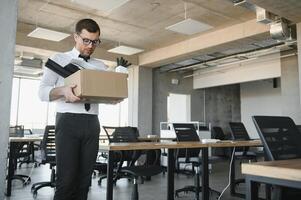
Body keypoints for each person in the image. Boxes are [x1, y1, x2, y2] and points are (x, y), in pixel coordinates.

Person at [39, 18, 106, 200]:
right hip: (68, 121)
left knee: (84, 182)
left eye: (95, 41)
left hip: (92, 123)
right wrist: (62, 91)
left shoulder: (100, 66)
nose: (90, 46)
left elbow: (104, 93)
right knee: (66, 182)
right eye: (86, 40)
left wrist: (113, 98)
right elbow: (42, 92)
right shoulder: (59, 59)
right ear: (75, 37)